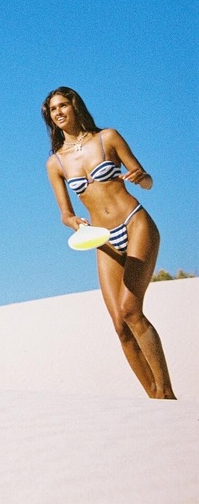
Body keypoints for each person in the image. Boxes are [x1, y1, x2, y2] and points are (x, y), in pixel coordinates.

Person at [42, 86, 175, 399]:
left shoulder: (108, 138)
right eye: (53, 110)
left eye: (63, 105)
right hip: (103, 239)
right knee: (120, 326)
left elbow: (147, 180)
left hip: (134, 222)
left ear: (75, 106)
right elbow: (65, 214)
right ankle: (155, 399)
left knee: (131, 310)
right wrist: (73, 222)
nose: (58, 112)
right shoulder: (55, 163)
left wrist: (141, 177)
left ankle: (167, 394)